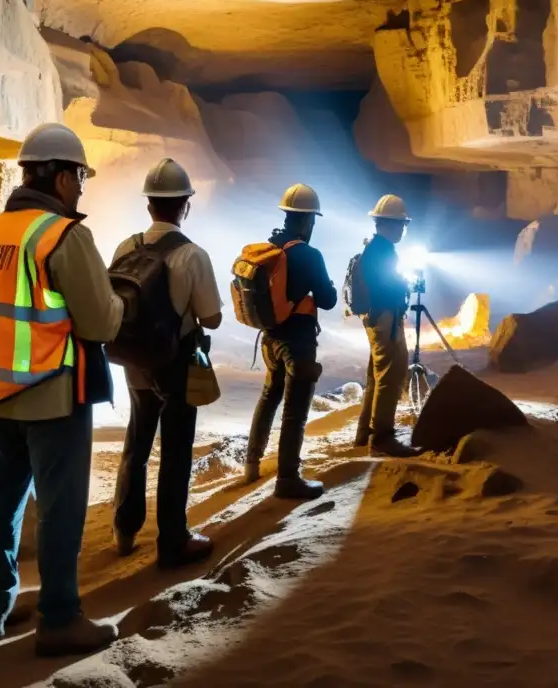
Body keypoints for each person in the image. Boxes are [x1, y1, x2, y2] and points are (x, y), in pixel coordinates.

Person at [0, 122, 124, 657]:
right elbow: (100, 324)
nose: (81, 188)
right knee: (61, 508)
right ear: (66, 177)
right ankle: (60, 618)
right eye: (81, 177)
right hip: (53, 390)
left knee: (2, 500)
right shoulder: (63, 235)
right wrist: (120, 301)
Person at [111, 159, 223, 568]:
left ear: (149, 205)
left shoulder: (126, 247)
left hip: (134, 360)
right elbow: (211, 317)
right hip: (175, 364)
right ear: (185, 206)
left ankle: (124, 530)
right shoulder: (192, 255)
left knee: (136, 445)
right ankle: (172, 540)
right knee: (175, 451)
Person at [244, 184, 338, 500]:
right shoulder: (310, 255)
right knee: (295, 409)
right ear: (309, 220)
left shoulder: (269, 247)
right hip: (297, 341)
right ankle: (287, 478)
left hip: (269, 338)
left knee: (270, 395)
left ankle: (252, 463)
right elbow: (328, 300)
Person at [353, 194, 419, 457]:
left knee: (376, 375)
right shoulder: (383, 252)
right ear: (390, 224)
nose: (403, 230)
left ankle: (365, 433)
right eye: (401, 225)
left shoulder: (374, 249)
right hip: (385, 318)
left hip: (376, 317)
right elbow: (387, 287)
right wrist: (404, 286)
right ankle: (382, 437)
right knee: (390, 375)